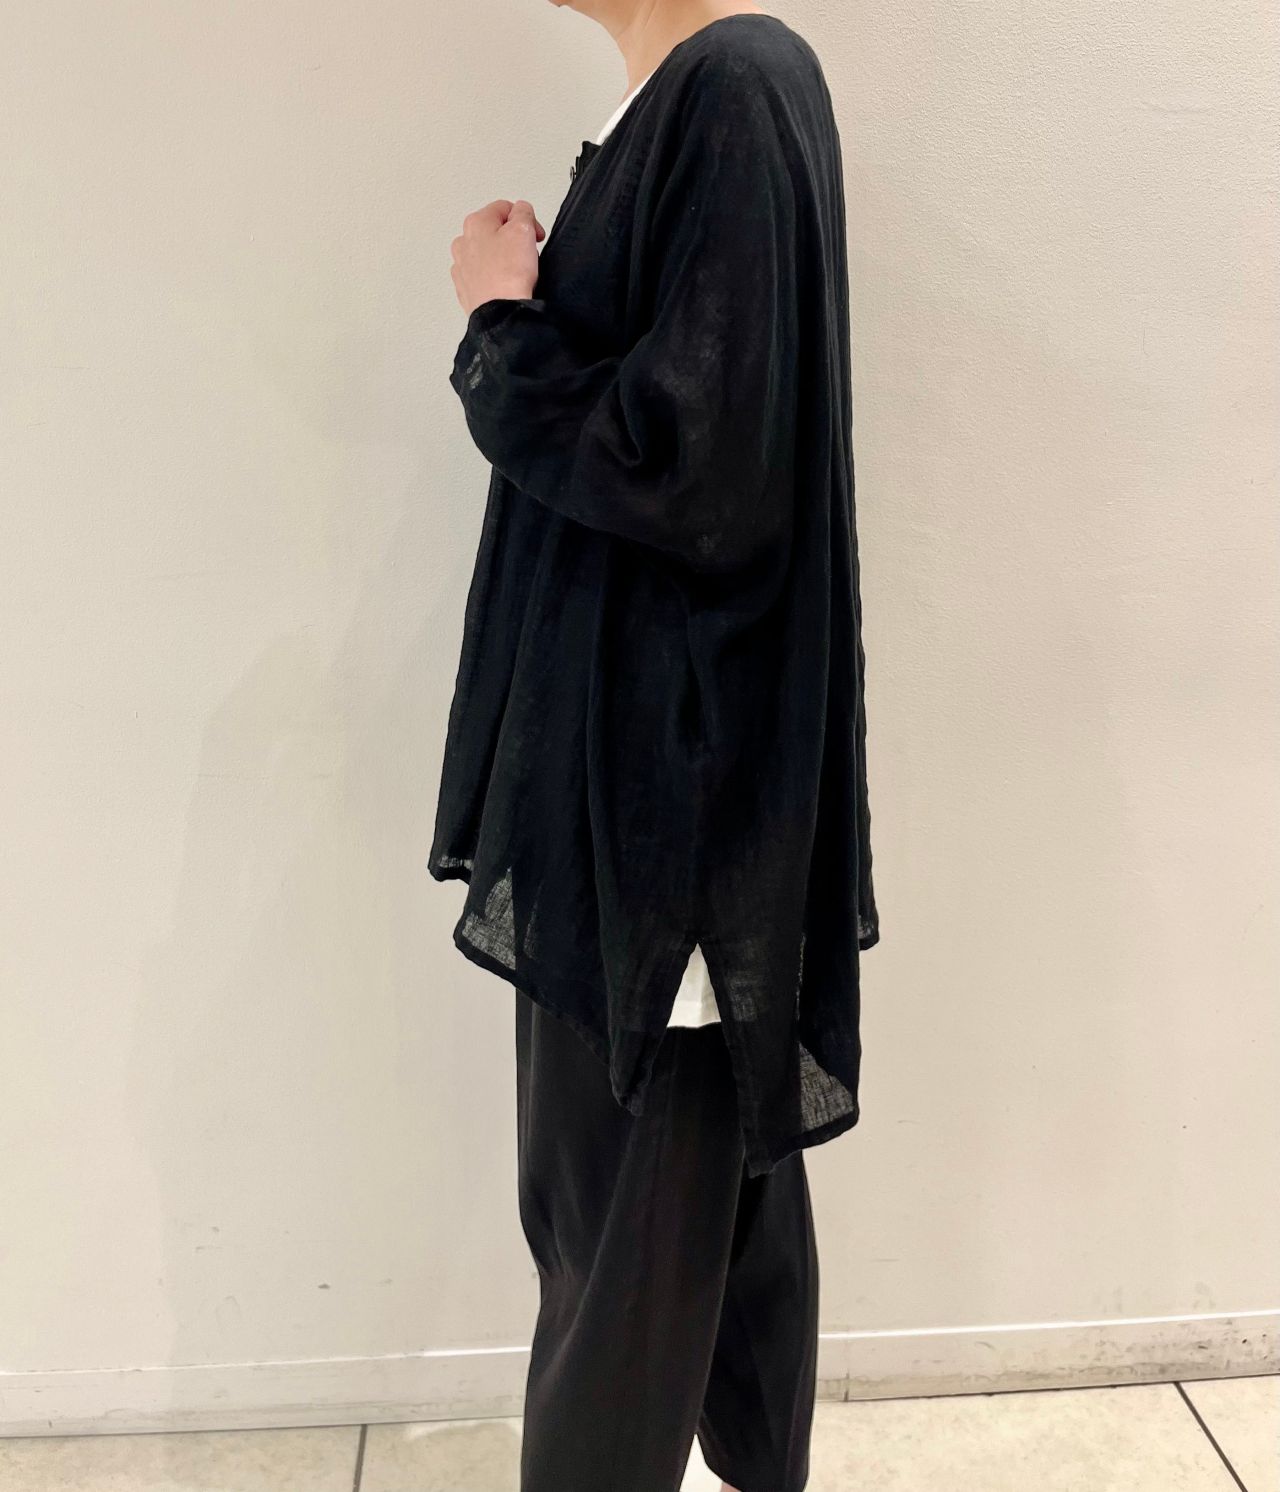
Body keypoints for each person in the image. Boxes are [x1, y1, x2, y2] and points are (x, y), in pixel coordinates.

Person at [434, 2, 880, 1488]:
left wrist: (500, 325)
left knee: (615, 1271)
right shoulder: (691, 100)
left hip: (665, 824)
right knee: (702, 1242)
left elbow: (691, 467)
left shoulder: (736, 85)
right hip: (643, 795)